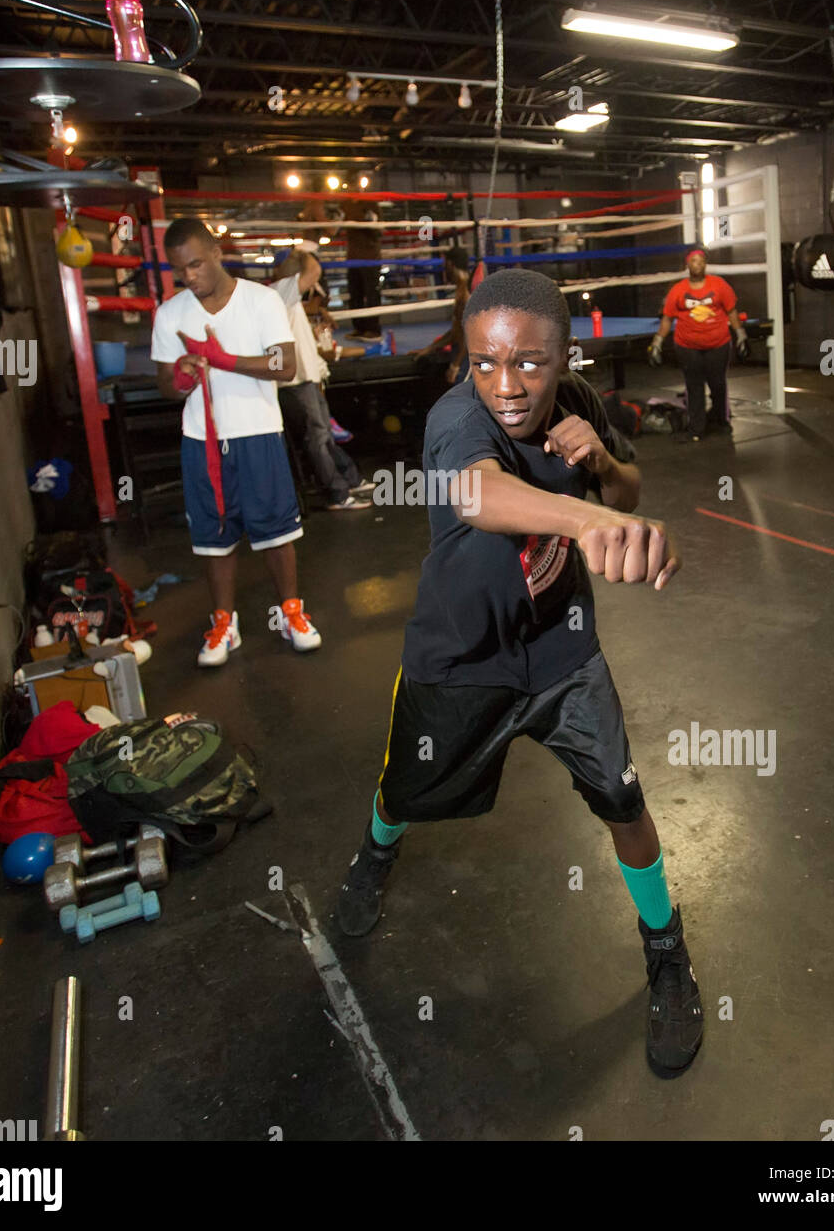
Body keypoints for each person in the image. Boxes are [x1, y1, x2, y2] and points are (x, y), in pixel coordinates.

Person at [336, 267, 704, 1080]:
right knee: (404, 789)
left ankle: (666, 950)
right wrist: (590, 519)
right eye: (485, 362)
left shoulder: (581, 402)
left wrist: (603, 465)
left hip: (565, 653)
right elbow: (477, 493)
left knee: (624, 800)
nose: (505, 385)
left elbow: (630, 484)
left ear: (565, 356)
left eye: (530, 363)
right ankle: (374, 855)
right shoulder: (456, 417)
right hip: (463, 656)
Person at [151, 217, 322, 666]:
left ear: (216, 253)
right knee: (214, 537)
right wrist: (182, 377)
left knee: (278, 531)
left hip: (258, 431)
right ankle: (225, 623)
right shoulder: (170, 314)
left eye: (195, 265)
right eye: (178, 269)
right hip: (201, 438)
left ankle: (291, 613)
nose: (189, 276)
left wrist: (223, 359)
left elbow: (285, 365)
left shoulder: (261, 301)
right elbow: (164, 383)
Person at [271, 250, 375, 511]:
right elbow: (313, 270)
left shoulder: (282, 297)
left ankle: (349, 479)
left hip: (303, 378)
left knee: (323, 433)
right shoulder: (280, 290)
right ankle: (337, 493)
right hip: (296, 381)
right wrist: (302, 251)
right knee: (317, 436)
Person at [648, 246, 749, 442]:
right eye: (694, 261)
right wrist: (657, 342)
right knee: (694, 387)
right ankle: (696, 429)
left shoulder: (719, 285)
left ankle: (722, 422)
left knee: (718, 384)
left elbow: (732, 311)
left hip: (718, 344)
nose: (698, 265)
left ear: (705, 264)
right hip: (687, 346)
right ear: (688, 264)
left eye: (702, 262)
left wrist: (741, 335)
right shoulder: (678, 290)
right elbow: (667, 318)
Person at [412, 246, 472, 384]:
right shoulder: (461, 290)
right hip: (462, 354)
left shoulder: (465, 294)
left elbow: (469, 335)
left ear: (450, 264)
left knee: (466, 396)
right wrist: (429, 348)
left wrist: (456, 365)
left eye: (445, 264)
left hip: (467, 357)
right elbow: (456, 332)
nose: (443, 269)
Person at [345, 201, 383, 341]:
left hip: (370, 257)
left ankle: (373, 329)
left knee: (372, 294)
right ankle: (359, 328)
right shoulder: (345, 204)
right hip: (353, 258)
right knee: (355, 294)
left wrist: (367, 219)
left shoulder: (371, 204)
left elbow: (379, 231)